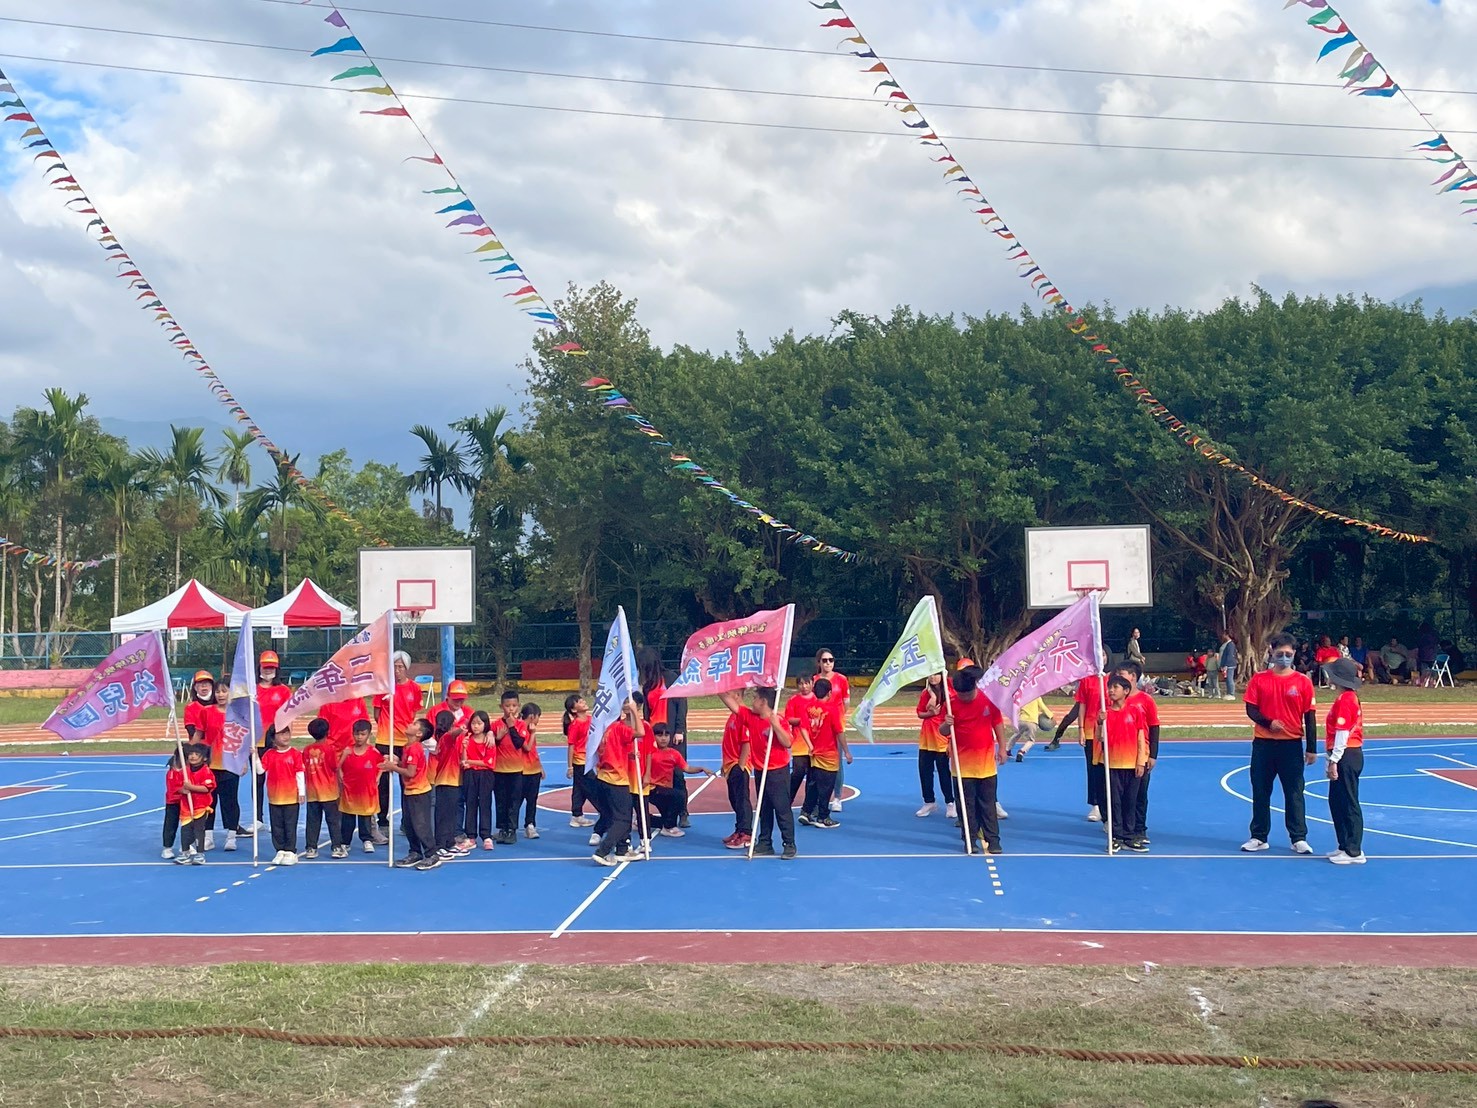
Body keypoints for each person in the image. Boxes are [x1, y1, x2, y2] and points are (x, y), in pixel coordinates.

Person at [1241, 632, 1318, 855]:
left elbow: (1310, 716)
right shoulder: (1259, 679)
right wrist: (1268, 723)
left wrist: (1311, 748)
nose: (1284, 657)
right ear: (1271, 653)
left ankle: (1298, 837)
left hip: (1291, 745)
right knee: (1261, 791)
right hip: (1263, 744)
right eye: (1279, 653)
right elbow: (1251, 709)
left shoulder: (1303, 682)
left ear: (1294, 654)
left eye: (1288, 654)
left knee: (1294, 792)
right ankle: (1259, 836)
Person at [720, 685, 797, 860]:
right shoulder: (751, 717)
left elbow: (787, 743)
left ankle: (789, 844)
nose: (752, 701)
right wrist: (715, 686)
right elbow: (731, 704)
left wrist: (776, 726)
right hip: (761, 770)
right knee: (764, 808)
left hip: (777, 771)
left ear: (763, 702)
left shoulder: (779, 720)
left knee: (782, 809)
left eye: (755, 698)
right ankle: (765, 842)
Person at [938, 665, 1005, 854]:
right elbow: (942, 731)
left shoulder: (988, 700)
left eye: (967, 694)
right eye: (960, 694)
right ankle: (969, 839)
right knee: (966, 806)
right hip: (962, 766)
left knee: (988, 805)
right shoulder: (950, 704)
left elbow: (997, 722)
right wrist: (947, 724)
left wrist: (1002, 747)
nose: (964, 698)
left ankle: (993, 840)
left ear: (975, 686)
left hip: (986, 765)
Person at [591, 696, 648, 866]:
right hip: (616, 779)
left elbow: (610, 750)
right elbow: (641, 733)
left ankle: (622, 849)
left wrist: (628, 755)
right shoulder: (620, 728)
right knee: (623, 819)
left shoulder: (609, 728)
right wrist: (635, 712)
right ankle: (603, 851)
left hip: (603, 777)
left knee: (615, 816)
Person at [639, 646, 692, 828]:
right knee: (654, 772)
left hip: (672, 733)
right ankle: (662, 813)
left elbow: (681, 704)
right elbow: (647, 711)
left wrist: (680, 730)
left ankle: (683, 812)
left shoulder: (671, 678)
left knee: (677, 773)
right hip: (654, 734)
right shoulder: (647, 685)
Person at [183, 671, 236, 852]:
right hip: (210, 764)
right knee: (209, 801)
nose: (220, 695)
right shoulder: (206, 712)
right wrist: (188, 753)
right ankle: (208, 837)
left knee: (230, 801)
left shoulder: (238, 713)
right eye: (218, 691)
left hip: (230, 763)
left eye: (224, 691)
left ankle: (231, 836)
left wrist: (244, 761)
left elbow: (244, 739)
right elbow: (197, 735)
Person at [373, 651, 424, 835]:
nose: (397, 670)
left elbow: (415, 713)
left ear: (406, 668)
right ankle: (382, 821)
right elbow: (377, 713)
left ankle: (406, 821)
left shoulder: (414, 688)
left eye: (400, 667)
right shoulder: (384, 687)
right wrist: (387, 727)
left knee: (406, 782)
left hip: (405, 741)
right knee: (383, 783)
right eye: (394, 666)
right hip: (385, 739)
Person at [1323, 657, 1367, 865]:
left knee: (1348, 801)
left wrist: (1334, 760)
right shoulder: (1345, 698)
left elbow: (1343, 732)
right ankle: (1344, 844)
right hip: (1344, 753)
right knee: (1337, 801)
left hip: (1347, 754)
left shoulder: (1346, 699)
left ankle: (1354, 849)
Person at [1099, 674, 1150, 852]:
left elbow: (1141, 737)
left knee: (1130, 801)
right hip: (1113, 765)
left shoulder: (1135, 711)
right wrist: (1100, 722)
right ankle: (1116, 836)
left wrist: (1141, 761)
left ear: (1126, 691)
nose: (1111, 691)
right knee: (1115, 802)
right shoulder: (1105, 714)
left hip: (1131, 764)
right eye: (1110, 687)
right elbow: (1100, 738)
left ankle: (1129, 836)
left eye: (1115, 687)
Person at [1115, 662, 1161, 846]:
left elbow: (1154, 727)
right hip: (1120, 755)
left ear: (1133, 677)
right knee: (1120, 796)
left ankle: (1139, 829)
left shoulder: (1145, 700)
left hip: (1141, 754)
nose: (1117, 677)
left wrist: (1153, 755)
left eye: (1122, 674)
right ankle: (1121, 830)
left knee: (1140, 794)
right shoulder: (1115, 700)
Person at [389, 717, 440, 870]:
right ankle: (415, 852)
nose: (409, 724)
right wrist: (395, 762)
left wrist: (393, 767)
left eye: (414, 724)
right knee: (409, 824)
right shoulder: (407, 747)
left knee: (420, 824)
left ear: (419, 733)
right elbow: (407, 766)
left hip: (419, 792)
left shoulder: (415, 749)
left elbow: (411, 773)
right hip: (409, 791)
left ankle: (431, 854)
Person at [800, 676, 850, 828]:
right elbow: (839, 732)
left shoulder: (809, 708)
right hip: (828, 754)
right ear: (829, 693)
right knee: (826, 786)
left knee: (813, 784)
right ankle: (823, 816)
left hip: (813, 752)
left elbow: (803, 727)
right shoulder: (832, 710)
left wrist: (809, 745)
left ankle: (806, 811)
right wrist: (847, 751)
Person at [647, 724, 714, 836]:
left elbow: (687, 768)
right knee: (679, 795)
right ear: (653, 737)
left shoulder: (674, 754)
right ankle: (668, 828)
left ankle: (644, 821)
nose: (663, 738)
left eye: (666, 735)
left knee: (666, 817)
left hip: (666, 789)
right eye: (659, 735)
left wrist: (701, 769)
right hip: (651, 789)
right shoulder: (649, 752)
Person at [252, 649, 293, 831]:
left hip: (276, 739)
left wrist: (286, 738)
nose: (268, 670)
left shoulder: (283, 690)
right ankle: (258, 818)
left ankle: (277, 816)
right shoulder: (252, 690)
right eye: (265, 667)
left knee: (278, 779)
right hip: (256, 740)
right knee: (258, 779)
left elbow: (289, 715)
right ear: (259, 667)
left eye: (272, 667)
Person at [338, 719, 387, 854]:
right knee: (348, 817)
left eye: (363, 734)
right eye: (357, 734)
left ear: (369, 734)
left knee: (365, 816)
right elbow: (338, 766)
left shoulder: (373, 752)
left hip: (366, 791)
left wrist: (378, 777)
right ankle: (345, 842)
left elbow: (381, 764)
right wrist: (341, 774)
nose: (359, 737)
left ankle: (367, 840)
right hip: (350, 790)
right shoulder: (348, 751)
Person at [260, 725, 305, 866]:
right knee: (277, 826)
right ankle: (280, 850)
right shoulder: (269, 754)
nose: (285, 737)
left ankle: (291, 851)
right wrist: (255, 756)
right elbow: (260, 770)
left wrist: (301, 792)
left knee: (290, 825)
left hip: (291, 796)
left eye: (287, 733)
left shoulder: (295, 754)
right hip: (274, 797)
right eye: (281, 734)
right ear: (273, 739)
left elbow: (300, 773)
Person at [301, 717, 345, 859]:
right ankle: (336, 847)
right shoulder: (330, 749)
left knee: (312, 821)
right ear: (328, 732)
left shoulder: (307, 750)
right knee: (333, 820)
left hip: (312, 791)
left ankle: (311, 848)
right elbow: (334, 767)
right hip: (329, 791)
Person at [430, 709, 470, 858]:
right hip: (445, 781)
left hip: (454, 781)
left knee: (451, 814)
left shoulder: (451, 740)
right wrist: (464, 726)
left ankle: (449, 842)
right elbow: (454, 734)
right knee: (443, 815)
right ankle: (439, 844)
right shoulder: (446, 738)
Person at [490, 691, 529, 846]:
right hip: (499, 770)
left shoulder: (521, 724)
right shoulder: (495, 725)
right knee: (500, 800)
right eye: (507, 706)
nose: (511, 709)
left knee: (514, 801)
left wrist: (511, 727)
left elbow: (519, 743)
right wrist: (498, 738)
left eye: (514, 705)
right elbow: (490, 746)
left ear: (518, 706)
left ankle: (512, 830)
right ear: (501, 707)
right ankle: (502, 829)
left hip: (515, 770)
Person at [814, 649, 850, 811]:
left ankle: (837, 797)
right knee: (816, 762)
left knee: (837, 762)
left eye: (831, 659)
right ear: (819, 663)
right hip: (817, 726)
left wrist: (837, 716)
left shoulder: (841, 679)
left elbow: (846, 702)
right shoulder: (814, 680)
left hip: (835, 725)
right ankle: (817, 797)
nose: (828, 663)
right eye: (825, 660)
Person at [168, 744, 215, 865]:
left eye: (197, 754)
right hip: (186, 808)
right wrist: (182, 790)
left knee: (198, 830)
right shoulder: (184, 771)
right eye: (191, 754)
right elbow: (176, 786)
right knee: (185, 831)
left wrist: (191, 787)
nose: (193, 756)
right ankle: (185, 853)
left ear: (204, 758)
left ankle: (200, 854)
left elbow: (207, 788)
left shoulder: (206, 771)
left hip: (200, 807)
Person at [915, 672, 955, 815]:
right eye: (930, 675)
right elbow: (920, 713)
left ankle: (950, 803)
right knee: (925, 771)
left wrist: (950, 741)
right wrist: (931, 709)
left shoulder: (950, 694)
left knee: (944, 772)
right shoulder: (926, 693)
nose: (933, 678)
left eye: (936, 674)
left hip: (942, 739)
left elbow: (953, 717)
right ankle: (929, 802)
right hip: (927, 739)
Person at [718, 701, 753, 848]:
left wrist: (741, 765)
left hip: (738, 765)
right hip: (730, 764)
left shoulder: (743, 716)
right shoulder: (732, 716)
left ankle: (746, 834)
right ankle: (739, 830)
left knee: (742, 799)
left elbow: (746, 742)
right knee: (734, 799)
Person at [460, 710, 496, 850]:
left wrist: (470, 761)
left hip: (485, 775)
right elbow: (464, 761)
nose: (476, 726)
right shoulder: (468, 739)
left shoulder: (489, 740)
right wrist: (464, 749)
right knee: (471, 803)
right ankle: (471, 836)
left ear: (485, 724)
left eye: (479, 723)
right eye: (473, 723)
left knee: (485, 804)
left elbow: (489, 762)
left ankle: (486, 836)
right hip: (470, 775)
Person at [783, 674, 816, 808]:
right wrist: (803, 721)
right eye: (801, 684)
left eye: (807, 683)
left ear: (812, 683)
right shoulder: (793, 700)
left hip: (816, 743)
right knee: (798, 772)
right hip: (799, 743)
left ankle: (809, 806)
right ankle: (787, 800)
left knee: (813, 776)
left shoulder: (817, 699)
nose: (804, 686)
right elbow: (788, 719)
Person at [562, 694, 595, 828]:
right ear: (574, 710)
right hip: (580, 761)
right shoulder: (575, 725)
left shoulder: (590, 719)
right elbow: (571, 746)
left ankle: (577, 815)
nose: (583, 702)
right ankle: (605, 812)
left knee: (579, 788)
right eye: (579, 702)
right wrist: (570, 766)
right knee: (591, 787)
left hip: (590, 758)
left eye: (582, 700)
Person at [519, 702, 545, 839]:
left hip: (533, 769)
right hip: (522, 770)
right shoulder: (520, 729)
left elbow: (534, 750)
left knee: (532, 800)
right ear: (532, 716)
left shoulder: (530, 729)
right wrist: (533, 733)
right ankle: (508, 826)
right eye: (538, 717)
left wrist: (540, 767)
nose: (538, 720)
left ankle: (530, 825)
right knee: (516, 800)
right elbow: (527, 748)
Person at [1006, 696, 1054, 762]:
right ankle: (1021, 752)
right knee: (1031, 740)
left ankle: (1007, 749)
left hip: (1022, 720)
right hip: (1032, 722)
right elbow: (1043, 708)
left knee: (1016, 734)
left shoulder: (1022, 697)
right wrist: (1051, 716)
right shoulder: (1036, 696)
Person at [1416, 623, 1439, 688]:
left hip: (1424, 656)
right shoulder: (1433, 636)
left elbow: (1419, 646)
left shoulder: (1422, 637)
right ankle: (1433, 681)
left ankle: (1422, 681)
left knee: (1424, 669)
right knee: (1433, 669)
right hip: (1432, 656)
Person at [1219, 631, 1238, 701]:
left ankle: (1231, 694)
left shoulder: (1230, 644)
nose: (1223, 636)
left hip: (1229, 665)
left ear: (1227, 635)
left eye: (1224, 634)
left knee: (1230, 679)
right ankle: (1229, 693)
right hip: (1226, 664)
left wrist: (1226, 665)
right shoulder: (1227, 644)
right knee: (1227, 679)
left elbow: (1230, 655)